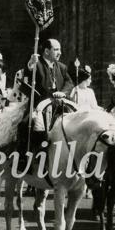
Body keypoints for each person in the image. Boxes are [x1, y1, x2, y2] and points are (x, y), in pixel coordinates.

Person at [16, 38, 73, 169]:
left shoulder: (62, 67)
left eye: (60, 49)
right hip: (39, 106)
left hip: (59, 106)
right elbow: (27, 76)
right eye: (56, 49)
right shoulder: (37, 64)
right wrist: (30, 64)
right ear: (46, 51)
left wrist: (63, 92)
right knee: (25, 124)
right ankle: (23, 160)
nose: (60, 52)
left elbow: (69, 83)